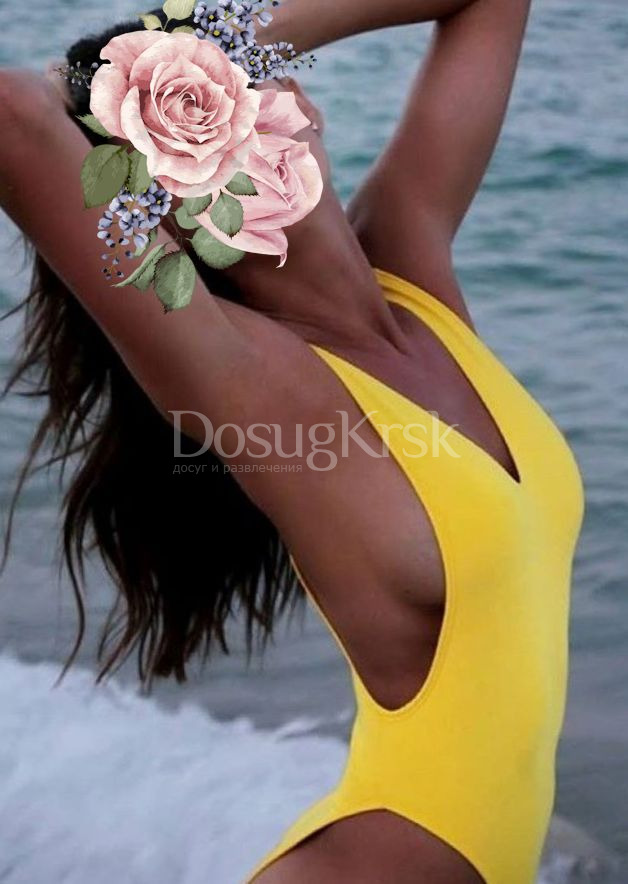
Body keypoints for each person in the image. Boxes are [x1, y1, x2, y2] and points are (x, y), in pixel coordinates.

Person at [0, 0, 585, 882]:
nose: (226, 123)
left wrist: (206, 40)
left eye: (233, 87)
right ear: (162, 224)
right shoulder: (249, 381)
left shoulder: (414, 283)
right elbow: (12, 116)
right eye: (178, 135)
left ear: (300, 100)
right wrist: (106, 80)